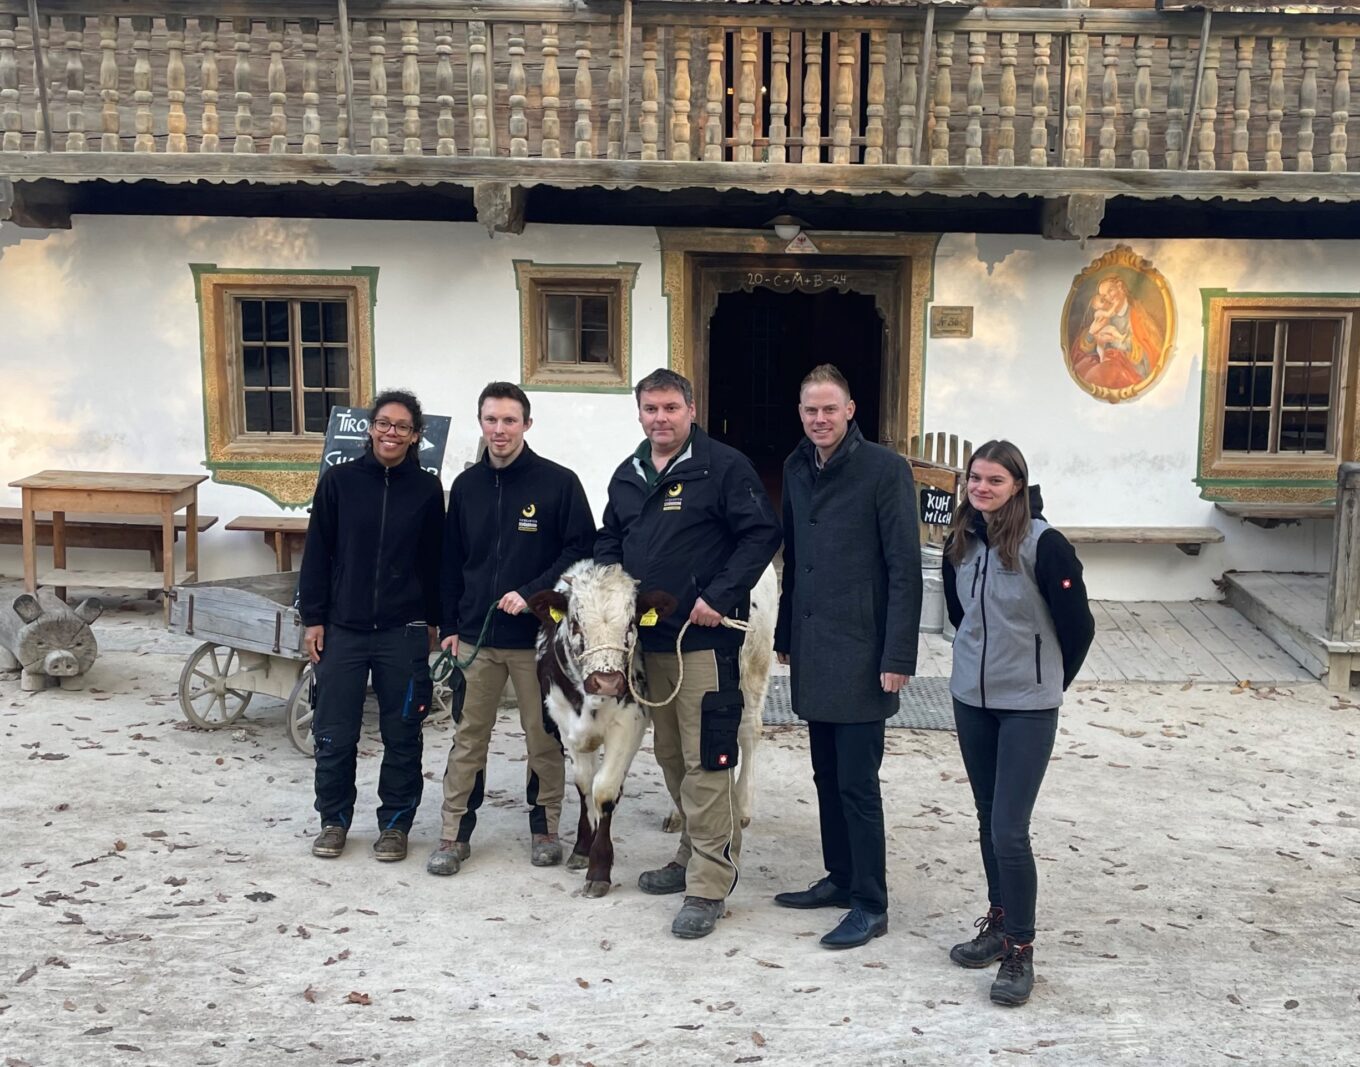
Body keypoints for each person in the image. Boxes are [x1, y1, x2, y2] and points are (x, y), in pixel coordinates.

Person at [595, 367, 780, 940]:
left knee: (706, 762)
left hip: (702, 640)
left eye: (670, 408)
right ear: (640, 413)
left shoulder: (723, 468)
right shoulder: (627, 475)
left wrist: (717, 596)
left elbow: (761, 535)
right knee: (672, 758)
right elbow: (609, 537)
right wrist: (609, 583)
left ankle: (708, 883)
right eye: (650, 409)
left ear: (691, 410)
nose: (660, 418)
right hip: (648, 642)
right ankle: (690, 852)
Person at [772, 364, 922, 950]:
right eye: (810, 410)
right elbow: (794, 556)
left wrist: (898, 654)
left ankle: (870, 901)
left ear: (851, 409)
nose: (819, 419)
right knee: (825, 774)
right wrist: (786, 633)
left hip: (864, 651)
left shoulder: (885, 471)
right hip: (813, 646)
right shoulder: (795, 466)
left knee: (858, 783)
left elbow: (904, 568)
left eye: (830, 409)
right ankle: (839, 878)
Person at [942, 440, 1094, 1007]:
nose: (982, 488)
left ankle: (1021, 951)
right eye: (975, 479)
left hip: (1028, 705)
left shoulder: (1044, 544)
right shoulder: (960, 541)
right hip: (970, 700)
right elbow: (962, 616)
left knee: (1010, 827)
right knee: (987, 817)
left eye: (995, 481)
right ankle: (1000, 921)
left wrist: (1047, 681)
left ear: (1018, 486)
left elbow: (1078, 627)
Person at [428, 382, 595, 876]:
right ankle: (454, 833)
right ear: (481, 423)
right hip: (477, 639)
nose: (499, 430)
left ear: (527, 423)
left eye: (509, 420)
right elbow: (451, 561)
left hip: (536, 641)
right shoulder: (467, 486)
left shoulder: (558, 483)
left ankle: (545, 829)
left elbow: (580, 550)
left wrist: (533, 592)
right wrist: (452, 625)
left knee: (543, 737)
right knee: (468, 738)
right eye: (490, 420)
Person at [300, 390, 445, 862]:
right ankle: (334, 821)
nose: (391, 433)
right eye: (384, 423)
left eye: (402, 427)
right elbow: (318, 553)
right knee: (335, 732)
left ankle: (396, 825)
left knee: (403, 732)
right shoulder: (339, 482)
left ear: (416, 436)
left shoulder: (425, 490)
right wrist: (314, 618)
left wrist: (434, 621)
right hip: (343, 628)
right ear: (370, 427)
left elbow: (434, 563)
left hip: (401, 630)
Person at [1068, 274, 1164, 391]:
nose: (1108, 297)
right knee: (1086, 372)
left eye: (1110, 291)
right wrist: (1092, 334)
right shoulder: (1104, 316)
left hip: (1130, 369)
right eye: (1104, 296)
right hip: (1107, 363)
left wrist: (1118, 343)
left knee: (1101, 375)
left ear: (1120, 287)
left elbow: (1148, 350)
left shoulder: (1137, 316)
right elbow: (1084, 350)